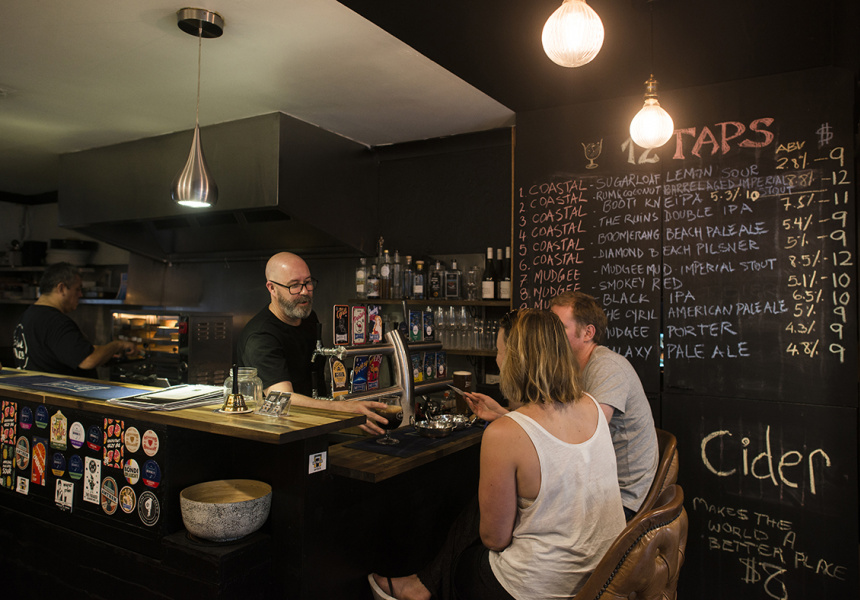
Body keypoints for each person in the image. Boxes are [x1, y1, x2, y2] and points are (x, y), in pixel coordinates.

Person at [370, 309, 625, 600]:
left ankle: (423, 587)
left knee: (465, 561)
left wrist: (507, 422)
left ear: (516, 360)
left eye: (499, 351)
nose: (496, 359)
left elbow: (495, 539)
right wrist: (507, 415)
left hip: (543, 589)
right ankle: (422, 585)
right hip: (606, 578)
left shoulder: (503, 434)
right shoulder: (592, 405)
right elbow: (552, 444)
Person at [468, 294, 658, 520]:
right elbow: (558, 432)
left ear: (588, 333)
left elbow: (586, 438)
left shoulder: (607, 367)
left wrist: (510, 428)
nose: (550, 333)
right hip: (589, 486)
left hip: (620, 497)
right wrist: (505, 416)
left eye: (558, 327)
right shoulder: (568, 369)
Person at [237, 252, 388, 435]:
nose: (304, 292)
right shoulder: (261, 337)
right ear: (272, 288)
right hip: (276, 434)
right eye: (294, 285)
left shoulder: (308, 317)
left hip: (312, 425)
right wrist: (343, 408)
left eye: (308, 282)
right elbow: (283, 398)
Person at [12, 262, 136, 378]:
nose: (80, 294)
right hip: (60, 392)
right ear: (61, 288)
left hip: (37, 389)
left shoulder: (27, 316)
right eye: (77, 289)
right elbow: (88, 360)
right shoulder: (55, 322)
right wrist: (118, 345)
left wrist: (105, 354)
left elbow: (65, 353)